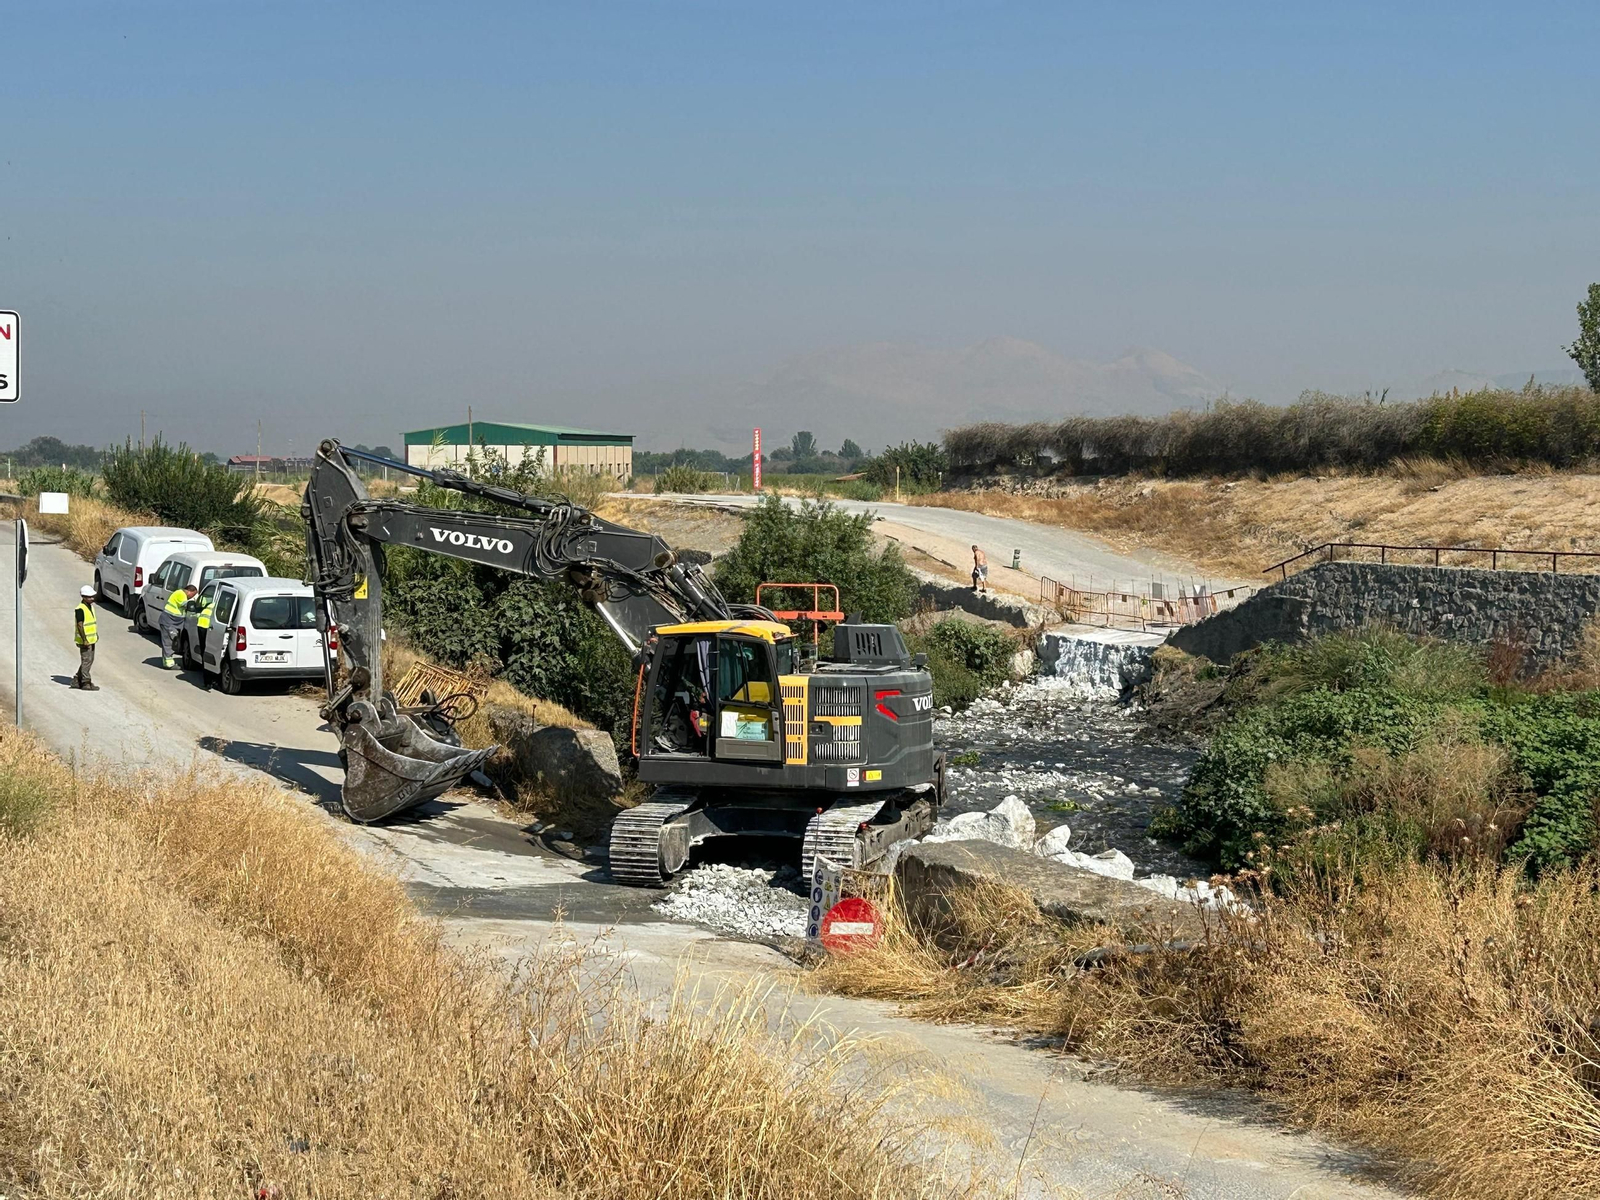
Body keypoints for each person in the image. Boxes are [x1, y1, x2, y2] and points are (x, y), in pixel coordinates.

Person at [160, 583, 196, 669]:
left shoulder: (180, 593)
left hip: (172, 621)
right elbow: (186, 604)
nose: (192, 597)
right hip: (169, 621)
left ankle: (166, 661)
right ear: (189, 591)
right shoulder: (181, 594)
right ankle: (169, 664)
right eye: (193, 595)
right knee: (169, 641)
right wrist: (194, 603)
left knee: (172, 640)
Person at [72, 584, 100, 690]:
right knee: (86, 660)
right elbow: (80, 625)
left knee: (89, 660)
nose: (92, 598)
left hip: (91, 639)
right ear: (84, 597)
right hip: (85, 640)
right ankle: (85, 682)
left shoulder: (90, 607)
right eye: (90, 597)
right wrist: (84, 640)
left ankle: (77, 680)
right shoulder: (80, 609)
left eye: (92, 596)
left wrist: (95, 635)